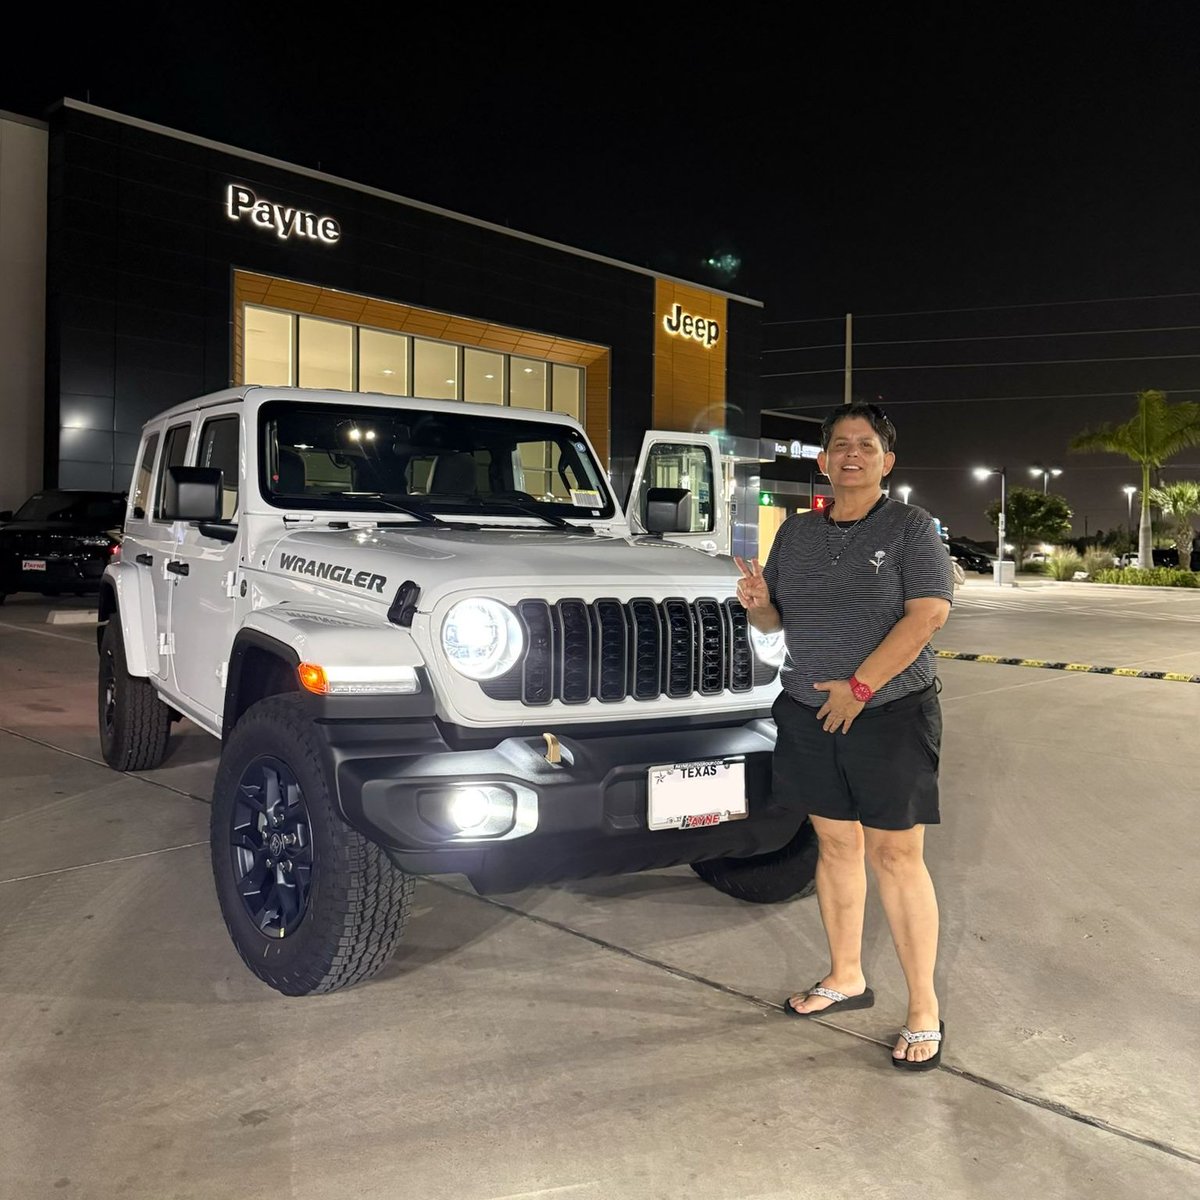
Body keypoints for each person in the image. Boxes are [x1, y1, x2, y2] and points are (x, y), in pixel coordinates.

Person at [735, 402, 954, 1071]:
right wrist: (759, 604)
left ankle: (923, 1008)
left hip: (888, 713)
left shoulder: (912, 528)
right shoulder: (797, 534)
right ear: (823, 461)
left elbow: (928, 617)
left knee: (895, 856)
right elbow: (776, 626)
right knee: (834, 845)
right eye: (838, 445)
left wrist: (859, 689)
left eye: (864, 445)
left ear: (886, 463)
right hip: (808, 710)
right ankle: (846, 976)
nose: (850, 454)